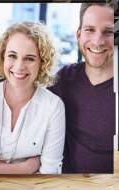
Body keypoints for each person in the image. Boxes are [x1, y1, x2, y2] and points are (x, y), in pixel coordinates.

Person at [0, 22, 65, 174]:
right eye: (12, 56)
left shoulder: (53, 106)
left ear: (42, 62)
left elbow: (49, 173)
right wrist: (24, 168)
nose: (19, 66)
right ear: (3, 57)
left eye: (29, 58)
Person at [49, 3, 115, 173]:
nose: (98, 41)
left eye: (109, 32)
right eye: (90, 30)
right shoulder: (64, 78)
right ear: (78, 35)